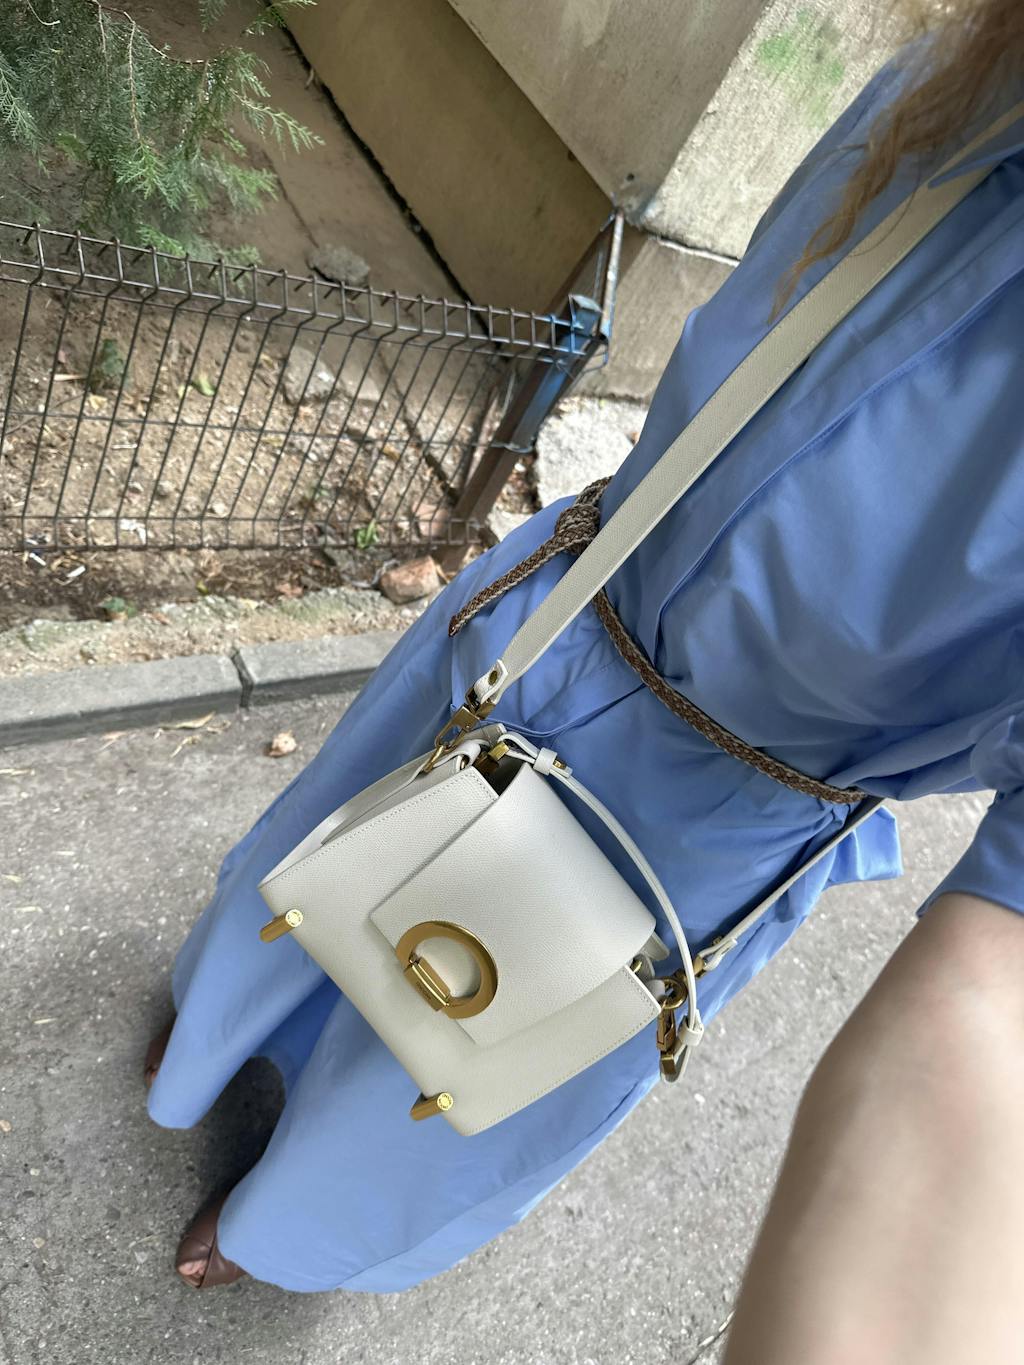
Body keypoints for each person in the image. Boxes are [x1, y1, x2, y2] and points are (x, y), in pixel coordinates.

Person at [148, 2, 1024, 1356]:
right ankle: (220, 1040)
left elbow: (993, 992)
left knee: (475, 1048)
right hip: (582, 591)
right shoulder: (977, 69)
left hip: (733, 798)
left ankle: (291, 1223)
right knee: (334, 856)